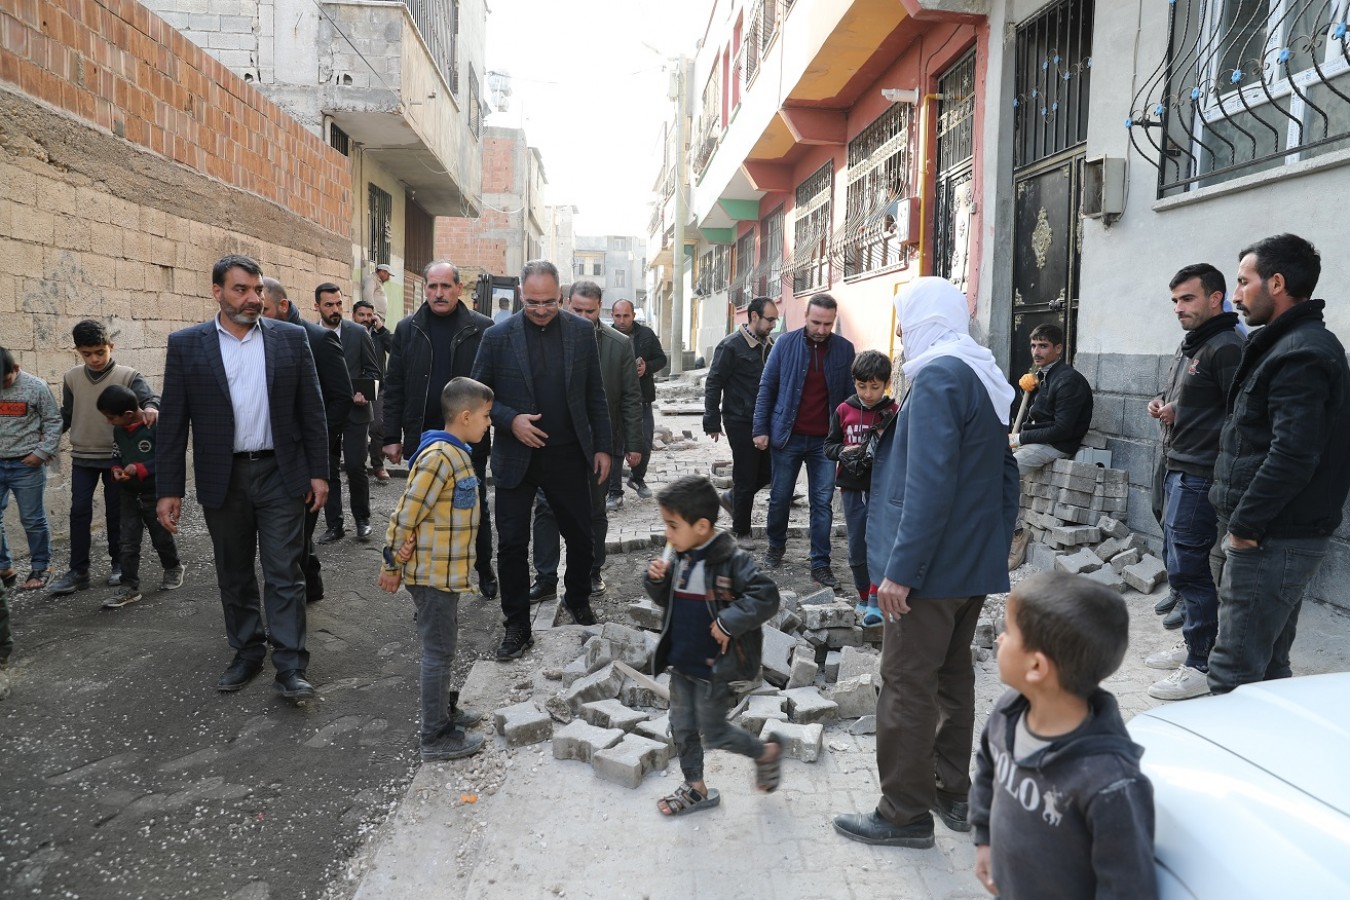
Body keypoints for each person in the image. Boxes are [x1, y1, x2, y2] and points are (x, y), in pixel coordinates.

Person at [833, 277, 1018, 849]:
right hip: (967, 566)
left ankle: (903, 814)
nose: (903, 335)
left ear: (923, 323)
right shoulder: (981, 375)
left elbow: (930, 485)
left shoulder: (938, 377)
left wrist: (901, 571)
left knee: (907, 684)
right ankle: (951, 791)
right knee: (952, 678)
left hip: (928, 573)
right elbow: (1004, 480)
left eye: (906, 323)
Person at [156, 254, 329, 701]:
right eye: (241, 290)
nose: (253, 299)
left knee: (284, 571)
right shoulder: (187, 345)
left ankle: (290, 665)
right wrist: (169, 489)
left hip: (280, 473)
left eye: (256, 291)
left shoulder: (290, 340)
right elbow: (173, 424)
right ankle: (248, 650)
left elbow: (312, 411)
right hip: (223, 477)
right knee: (233, 572)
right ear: (217, 292)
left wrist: (319, 473)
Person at [1208, 233, 1350, 695]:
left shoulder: (1302, 352)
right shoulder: (1285, 343)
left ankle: (1230, 764)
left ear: (1277, 283)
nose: (1235, 294)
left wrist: (1245, 528)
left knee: (1235, 674)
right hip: (1272, 533)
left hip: (1271, 536)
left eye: (1243, 282)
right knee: (1266, 669)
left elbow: (1293, 454)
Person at [970, 570, 1156, 899]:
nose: (999, 638)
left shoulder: (1110, 784)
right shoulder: (1008, 711)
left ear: (1037, 668)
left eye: (1008, 632)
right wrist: (984, 839)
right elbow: (987, 768)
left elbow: (1127, 887)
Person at [469, 259, 611, 660]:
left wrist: (602, 447)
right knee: (512, 544)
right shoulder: (497, 337)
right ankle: (517, 625)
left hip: (568, 454)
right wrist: (510, 420)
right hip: (517, 458)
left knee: (581, 536)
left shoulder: (581, 333)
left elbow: (594, 394)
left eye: (549, 301)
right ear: (520, 294)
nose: (542, 309)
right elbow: (479, 397)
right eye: (533, 303)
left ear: (561, 295)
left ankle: (578, 598)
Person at [644, 474, 783, 816]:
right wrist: (655, 581)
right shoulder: (680, 558)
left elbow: (766, 595)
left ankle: (765, 754)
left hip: (714, 667)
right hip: (682, 661)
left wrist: (728, 621)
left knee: (715, 732)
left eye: (673, 526)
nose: (668, 534)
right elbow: (669, 601)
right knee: (682, 725)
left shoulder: (732, 561)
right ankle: (696, 788)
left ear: (702, 526)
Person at [378, 377, 494, 762]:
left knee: (444, 647)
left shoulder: (457, 452)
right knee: (437, 652)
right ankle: (434, 735)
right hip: (431, 575)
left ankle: (445, 713)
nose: (488, 423)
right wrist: (392, 562)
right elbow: (406, 512)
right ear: (464, 416)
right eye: (485, 416)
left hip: (445, 574)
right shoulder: (439, 457)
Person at [1143, 264, 1243, 701]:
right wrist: (1167, 405)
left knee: (1191, 567)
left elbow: (1243, 417)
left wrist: (1185, 416)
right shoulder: (1194, 344)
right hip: (1178, 463)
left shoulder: (1228, 347)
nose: (1179, 308)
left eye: (1188, 299)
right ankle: (1194, 645)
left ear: (1215, 298)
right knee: (1177, 560)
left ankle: (1202, 663)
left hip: (1202, 472)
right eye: (1175, 301)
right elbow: (1196, 401)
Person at [382, 261, 498, 601]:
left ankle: (484, 569)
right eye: (432, 287)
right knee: (420, 508)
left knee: (473, 505)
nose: (438, 293)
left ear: (458, 288)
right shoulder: (407, 327)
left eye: (445, 286)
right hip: (423, 436)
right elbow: (395, 384)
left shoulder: (482, 328)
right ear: (425, 289)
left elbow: (492, 385)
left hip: (468, 438)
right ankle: (428, 583)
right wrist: (391, 436)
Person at [531, 282, 642, 598]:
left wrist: (634, 444)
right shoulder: (544, 338)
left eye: (589, 311)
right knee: (547, 509)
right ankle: (545, 578)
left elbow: (631, 398)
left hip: (598, 445)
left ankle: (591, 572)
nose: (581, 317)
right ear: (565, 304)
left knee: (594, 511)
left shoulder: (619, 345)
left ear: (600, 308)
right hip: (551, 443)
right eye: (576, 310)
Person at [49, 320, 161, 596]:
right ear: (78, 351)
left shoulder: (128, 375)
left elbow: (149, 399)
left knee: (116, 514)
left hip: (117, 458)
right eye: (87, 354)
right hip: (83, 456)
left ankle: (119, 565)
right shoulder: (72, 378)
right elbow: (67, 414)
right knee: (79, 512)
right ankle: (78, 571)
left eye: (100, 352)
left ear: (111, 346)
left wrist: (151, 408)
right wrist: (46, 439)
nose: (95, 359)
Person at [752, 293, 855, 586]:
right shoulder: (785, 344)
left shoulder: (845, 349)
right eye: (816, 322)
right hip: (787, 437)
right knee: (780, 497)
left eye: (828, 324)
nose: (822, 329)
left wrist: (849, 437)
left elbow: (849, 397)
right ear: (805, 318)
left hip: (825, 442)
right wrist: (760, 428)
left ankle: (821, 563)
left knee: (822, 502)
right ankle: (776, 546)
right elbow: (767, 386)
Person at [261, 278, 353, 604]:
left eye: (264, 311)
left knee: (292, 537)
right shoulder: (257, 340)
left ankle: (292, 604)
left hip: (310, 457)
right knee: (293, 534)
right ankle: (310, 583)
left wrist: (317, 445)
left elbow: (341, 398)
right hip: (273, 458)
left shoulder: (319, 339)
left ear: (283, 307)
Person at [823, 350, 897, 627]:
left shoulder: (894, 411)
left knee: (881, 542)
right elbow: (828, 446)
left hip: (883, 489)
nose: (868, 393)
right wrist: (844, 450)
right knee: (856, 546)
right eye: (862, 386)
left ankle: (876, 602)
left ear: (886, 384)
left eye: (875, 387)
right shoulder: (844, 410)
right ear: (854, 382)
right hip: (852, 488)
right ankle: (864, 595)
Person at [95, 384, 183, 609]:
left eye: (110, 417)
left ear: (127, 414)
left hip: (154, 493)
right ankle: (129, 587)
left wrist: (141, 468)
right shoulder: (119, 429)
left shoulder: (154, 425)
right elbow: (117, 454)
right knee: (127, 541)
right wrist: (116, 469)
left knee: (160, 536)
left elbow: (167, 458)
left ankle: (173, 567)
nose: (108, 422)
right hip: (128, 493)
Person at [704, 296, 777, 547]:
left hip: (764, 420)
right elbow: (714, 382)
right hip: (739, 419)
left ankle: (732, 497)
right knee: (746, 474)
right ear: (754, 317)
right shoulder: (731, 346)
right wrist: (711, 419)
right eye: (770, 319)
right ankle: (741, 531)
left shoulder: (770, 345)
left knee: (768, 471)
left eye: (775, 320)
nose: (773, 325)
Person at [314, 283, 380, 543]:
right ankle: (334, 525)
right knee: (328, 469)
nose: (335, 309)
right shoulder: (309, 334)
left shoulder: (357, 333)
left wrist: (365, 393)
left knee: (355, 466)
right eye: (329, 304)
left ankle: (362, 520)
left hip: (356, 412)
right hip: (325, 414)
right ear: (317, 306)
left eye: (339, 304)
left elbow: (375, 373)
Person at [0, 346, 61, 592]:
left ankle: (41, 566)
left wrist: (41, 453)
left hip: (26, 464)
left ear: (16, 369)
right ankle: (4, 566)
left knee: (32, 519)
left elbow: (54, 421)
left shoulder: (37, 387)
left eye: (5, 381)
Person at [1009, 323, 1093, 475]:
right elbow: (1040, 411)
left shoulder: (1068, 381)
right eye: (1033, 346)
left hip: (1054, 445)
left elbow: (1062, 430)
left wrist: (1020, 438)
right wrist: (1028, 390)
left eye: (1043, 346)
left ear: (1058, 348)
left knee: (1001, 471)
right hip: (1034, 441)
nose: (1036, 352)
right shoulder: (1042, 375)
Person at [608, 298, 668, 505]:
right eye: (618, 316)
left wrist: (647, 368)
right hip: (615, 402)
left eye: (626, 315)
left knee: (643, 443)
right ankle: (614, 492)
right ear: (612, 316)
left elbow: (662, 359)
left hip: (642, 400)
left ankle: (637, 478)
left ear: (633, 315)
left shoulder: (646, 335)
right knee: (616, 447)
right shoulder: (606, 336)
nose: (622, 320)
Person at [353, 298, 393, 482]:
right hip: (352, 387)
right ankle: (356, 467)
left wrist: (382, 329)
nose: (366, 318)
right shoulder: (347, 333)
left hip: (377, 387)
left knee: (378, 426)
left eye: (369, 315)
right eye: (361, 314)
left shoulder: (378, 335)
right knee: (352, 429)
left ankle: (378, 465)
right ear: (354, 316)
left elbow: (395, 348)